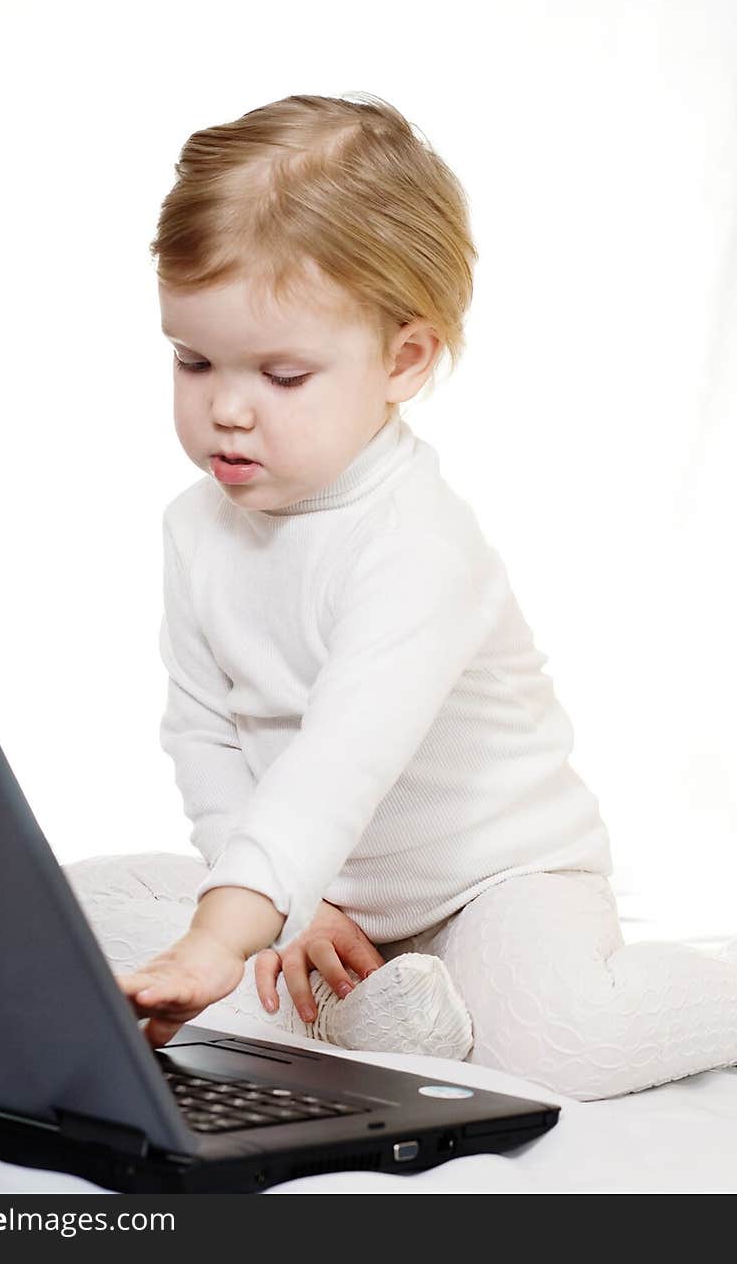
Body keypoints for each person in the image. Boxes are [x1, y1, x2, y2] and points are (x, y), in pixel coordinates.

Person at [73, 92, 737, 1101]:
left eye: (283, 373)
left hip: (493, 885)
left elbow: (339, 761)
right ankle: (390, 1002)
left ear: (403, 359)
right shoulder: (194, 528)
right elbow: (203, 735)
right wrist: (277, 910)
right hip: (317, 884)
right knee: (66, 913)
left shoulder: (414, 543)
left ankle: (414, 1003)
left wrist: (223, 935)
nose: (226, 406)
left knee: (564, 1045)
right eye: (193, 359)